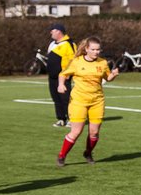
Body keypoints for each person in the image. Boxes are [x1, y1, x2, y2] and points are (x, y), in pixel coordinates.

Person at [56, 36, 119, 166]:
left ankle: (88, 153)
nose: (96, 52)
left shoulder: (102, 63)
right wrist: (61, 84)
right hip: (79, 101)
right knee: (76, 132)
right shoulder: (77, 62)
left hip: (97, 100)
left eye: (98, 50)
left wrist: (113, 75)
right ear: (86, 49)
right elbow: (63, 74)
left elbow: (107, 78)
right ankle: (62, 156)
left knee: (94, 132)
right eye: (93, 49)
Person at [46, 23, 76, 127]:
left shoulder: (69, 44)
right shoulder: (53, 44)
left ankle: (71, 119)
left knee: (66, 99)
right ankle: (61, 118)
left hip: (63, 78)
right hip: (52, 77)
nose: (51, 32)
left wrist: (66, 76)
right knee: (56, 99)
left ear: (59, 31)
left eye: (52, 30)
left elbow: (71, 61)